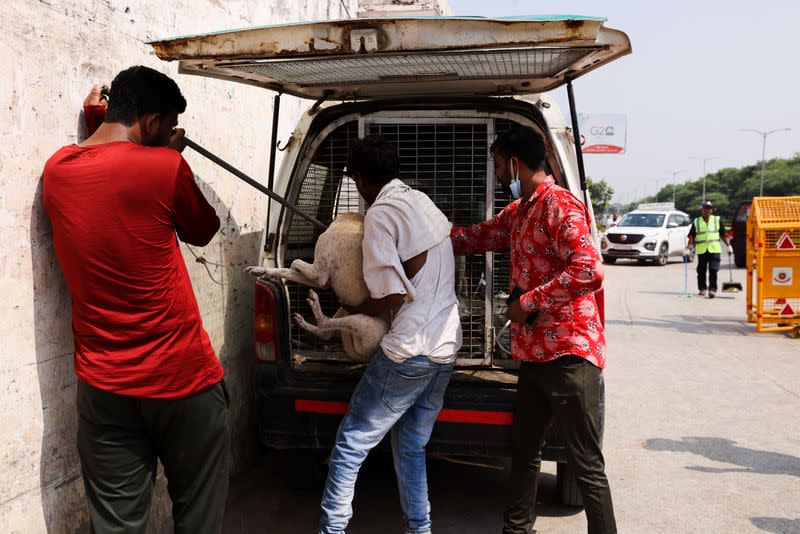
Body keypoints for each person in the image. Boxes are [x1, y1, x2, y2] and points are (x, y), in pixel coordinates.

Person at [43, 67, 230, 534]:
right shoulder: (165, 167)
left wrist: (97, 116)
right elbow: (203, 229)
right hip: (184, 380)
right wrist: (169, 155)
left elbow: (106, 151)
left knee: (116, 526)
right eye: (166, 125)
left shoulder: (58, 169)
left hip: (105, 389)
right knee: (198, 516)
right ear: (150, 123)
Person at [450, 126, 616, 534]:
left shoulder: (561, 206)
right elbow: (477, 237)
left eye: (497, 164)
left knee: (585, 463)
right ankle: (517, 528)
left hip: (570, 354)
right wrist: (426, 233)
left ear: (515, 163)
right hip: (534, 354)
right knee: (524, 450)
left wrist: (528, 302)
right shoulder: (521, 210)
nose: (496, 172)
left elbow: (589, 270)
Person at [318, 135, 462, 534]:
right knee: (411, 445)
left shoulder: (381, 214)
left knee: (351, 443)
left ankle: (331, 530)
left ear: (361, 180)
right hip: (446, 347)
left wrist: (349, 310)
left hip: (409, 351)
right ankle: (420, 529)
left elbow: (390, 295)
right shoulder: (421, 202)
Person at [685, 200, 732, 298]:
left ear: (711, 210)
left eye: (709, 208)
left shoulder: (717, 220)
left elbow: (723, 235)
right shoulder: (696, 221)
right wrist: (688, 248)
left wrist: (728, 246)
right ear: (701, 210)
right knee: (701, 271)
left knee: (713, 270)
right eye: (705, 208)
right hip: (702, 250)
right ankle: (702, 288)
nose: (707, 210)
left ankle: (712, 290)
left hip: (714, 250)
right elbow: (691, 236)